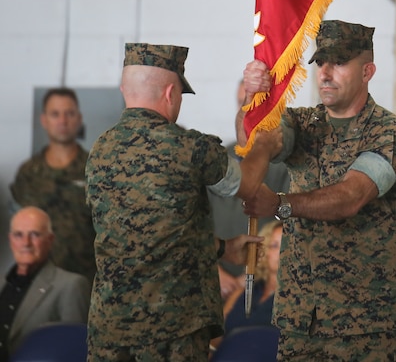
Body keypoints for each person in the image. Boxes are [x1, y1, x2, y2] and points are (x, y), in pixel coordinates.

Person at [239, 20, 396, 360]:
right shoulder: (303, 123)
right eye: (320, 62)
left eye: (338, 63)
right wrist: (253, 102)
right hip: (301, 320)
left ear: (367, 71)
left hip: (370, 325)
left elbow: (351, 197)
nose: (325, 73)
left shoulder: (391, 133)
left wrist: (278, 204)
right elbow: (260, 137)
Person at [85, 43, 267, 361]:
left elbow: (145, 235)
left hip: (109, 325)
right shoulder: (188, 149)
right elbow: (248, 185)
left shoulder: (100, 151)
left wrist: (223, 249)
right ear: (171, 93)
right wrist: (265, 141)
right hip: (172, 329)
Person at [210, 79, 290, 299]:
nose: (247, 113)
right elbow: (196, 220)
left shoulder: (286, 165)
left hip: (268, 282)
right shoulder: (217, 158)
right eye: (242, 105)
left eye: (255, 106)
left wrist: (258, 275)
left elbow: (289, 223)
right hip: (217, 278)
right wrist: (216, 271)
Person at [9, 88, 96, 283]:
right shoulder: (28, 173)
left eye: (69, 113)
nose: (63, 121)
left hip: (84, 281)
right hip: (36, 282)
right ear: (44, 120)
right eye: (55, 114)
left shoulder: (96, 168)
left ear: (79, 118)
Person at [0, 206, 90, 361]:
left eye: (34, 234)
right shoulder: (1, 283)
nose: (26, 243)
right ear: (10, 240)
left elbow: (76, 352)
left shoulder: (71, 285)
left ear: (50, 240)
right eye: (18, 235)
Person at [210, 220, 283, 353]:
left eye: (289, 245)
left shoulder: (300, 301)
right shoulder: (240, 294)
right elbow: (215, 342)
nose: (282, 252)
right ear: (264, 251)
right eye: (275, 245)